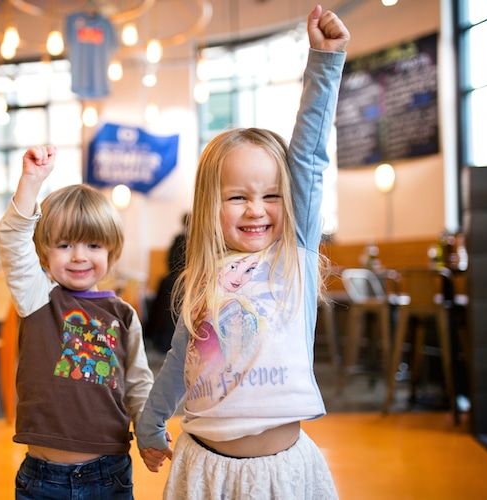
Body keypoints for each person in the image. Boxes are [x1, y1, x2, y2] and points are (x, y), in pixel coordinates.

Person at [135, 6, 349, 499]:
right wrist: (150, 424)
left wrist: (324, 62)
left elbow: (311, 160)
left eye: (271, 195)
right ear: (210, 207)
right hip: (206, 470)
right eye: (237, 197)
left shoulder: (292, 257)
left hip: (281, 474)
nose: (256, 209)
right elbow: (180, 360)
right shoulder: (201, 280)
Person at [0, 145, 154, 500]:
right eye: (65, 245)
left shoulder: (123, 315)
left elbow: (138, 384)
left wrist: (149, 435)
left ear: (111, 252)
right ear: (44, 253)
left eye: (94, 245)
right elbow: (11, 240)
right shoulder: (38, 298)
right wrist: (31, 183)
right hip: (43, 478)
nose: (80, 256)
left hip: (109, 473)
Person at [144, 213, 189, 352]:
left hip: (189, 277)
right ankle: (156, 336)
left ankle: (159, 337)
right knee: (166, 285)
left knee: (170, 286)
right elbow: (171, 262)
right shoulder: (179, 239)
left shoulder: (199, 239)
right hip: (177, 277)